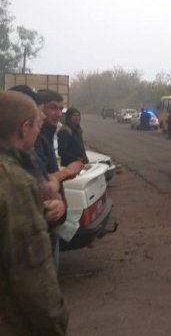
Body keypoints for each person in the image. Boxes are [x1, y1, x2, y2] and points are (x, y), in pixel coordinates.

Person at [0, 90, 69, 335]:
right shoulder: (16, 183)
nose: (39, 130)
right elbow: (32, 275)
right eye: (36, 124)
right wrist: (56, 324)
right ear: (23, 128)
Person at [36, 89, 84, 269]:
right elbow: (37, 181)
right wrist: (67, 171)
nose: (57, 113)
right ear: (39, 109)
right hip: (43, 224)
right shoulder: (36, 138)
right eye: (52, 108)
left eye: (60, 109)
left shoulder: (47, 134)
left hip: (51, 224)